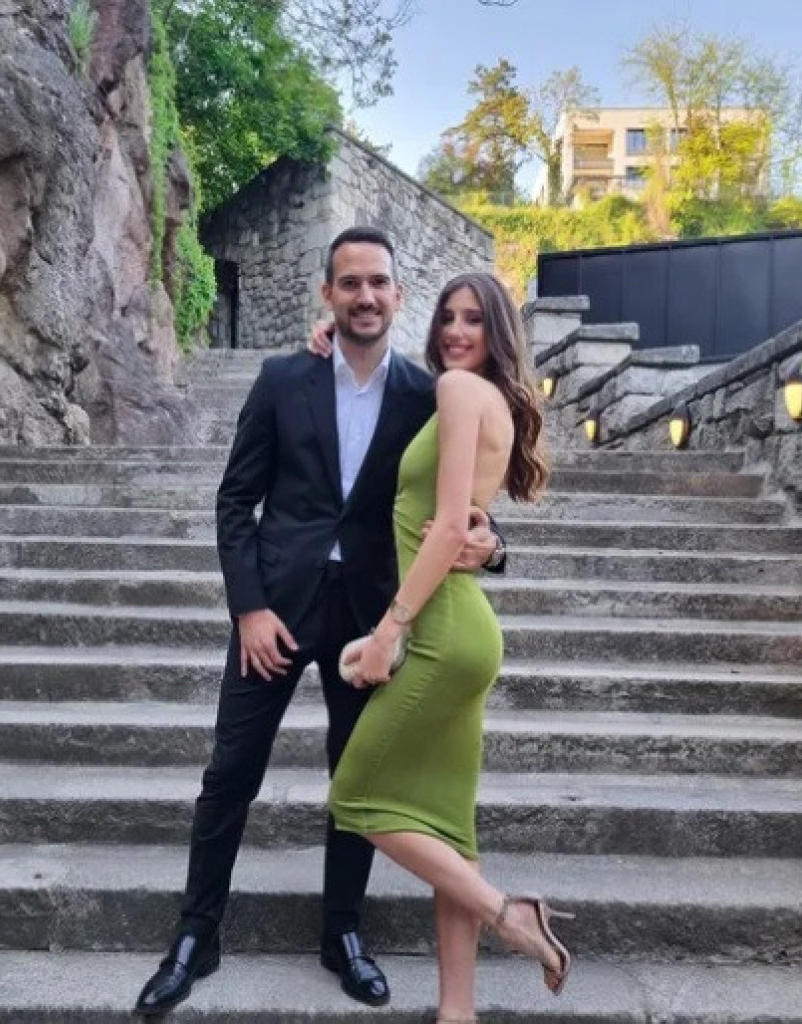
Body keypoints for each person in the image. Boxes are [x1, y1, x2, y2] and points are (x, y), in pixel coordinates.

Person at [134, 226, 506, 1017]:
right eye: (350, 283)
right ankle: (196, 935)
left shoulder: (428, 393)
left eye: (378, 282)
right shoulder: (280, 379)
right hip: (273, 610)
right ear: (327, 293)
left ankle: (342, 933)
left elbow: (464, 501)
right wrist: (248, 607)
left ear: (398, 295)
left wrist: (493, 545)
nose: (364, 296)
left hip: (371, 619)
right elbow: (235, 501)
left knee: (354, 777)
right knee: (229, 773)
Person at [328, 270, 573, 1020]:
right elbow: (466, 525)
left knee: (354, 797)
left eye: (473, 320)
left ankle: (510, 915)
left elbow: (442, 531)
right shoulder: (486, 396)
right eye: (447, 318)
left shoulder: (461, 392)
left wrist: (387, 633)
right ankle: (457, 1011)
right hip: (463, 628)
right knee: (448, 830)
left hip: (440, 630)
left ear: (498, 332)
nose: (456, 332)